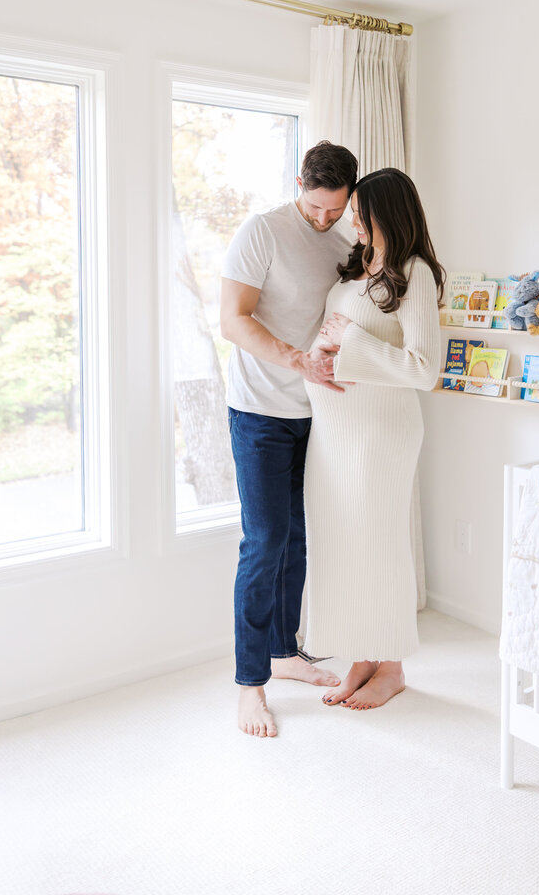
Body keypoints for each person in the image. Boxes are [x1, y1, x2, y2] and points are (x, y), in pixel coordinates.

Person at [220, 140, 358, 738]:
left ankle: (283, 651)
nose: (324, 217)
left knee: (298, 537)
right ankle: (250, 684)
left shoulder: (344, 239)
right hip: (259, 411)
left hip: (317, 413)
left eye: (336, 208)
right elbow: (233, 319)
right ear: (300, 183)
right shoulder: (263, 231)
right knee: (264, 542)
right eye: (317, 205)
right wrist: (298, 360)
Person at [302, 167, 445, 709]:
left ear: (390, 213)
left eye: (363, 215)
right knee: (341, 543)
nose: (354, 224)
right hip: (334, 431)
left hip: (380, 434)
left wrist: (352, 339)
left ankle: (392, 666)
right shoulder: (356, 266)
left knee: (377, 544)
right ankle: (362, 656)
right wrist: (321, 355)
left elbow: (424, 368)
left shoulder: (414, 273)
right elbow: (333, 337)